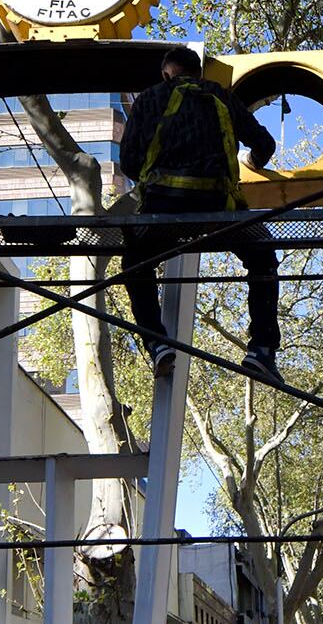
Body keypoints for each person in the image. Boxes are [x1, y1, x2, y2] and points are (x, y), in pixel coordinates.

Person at [117, 45, 282, 382]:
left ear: (166, 73)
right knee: (262, 258)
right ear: (198, 73)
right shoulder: (220, 96)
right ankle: (261, 350)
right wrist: (251, 163)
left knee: (135, 263)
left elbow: (129, 162)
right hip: (219, 207)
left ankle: (156, 342)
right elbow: (264, 144)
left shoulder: (149, 99)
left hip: (163, 208)